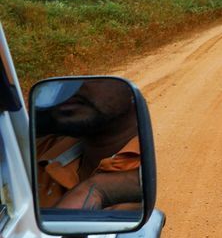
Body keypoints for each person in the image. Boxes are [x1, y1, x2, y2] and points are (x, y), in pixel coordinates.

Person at [34, 78, 143, 211]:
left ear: (132, 90)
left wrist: (97, 189)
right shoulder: (33, 150)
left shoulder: (159, 162)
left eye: (91, 77)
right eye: (63, 79)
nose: (70, 87)